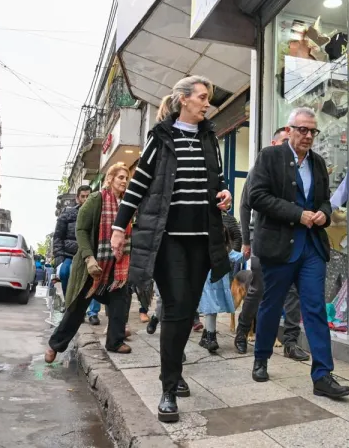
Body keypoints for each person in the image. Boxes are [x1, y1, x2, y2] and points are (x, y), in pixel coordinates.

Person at [111, 75, 232, 423]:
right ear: (184, 100)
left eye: (207, 98)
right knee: (178, 308)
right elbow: (138, 186)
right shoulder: (161, 139)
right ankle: (168, 389)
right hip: (169, 240)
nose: (207, 103)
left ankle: (175, 372)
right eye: (202, 97)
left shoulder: (211, 139)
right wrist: (120, 227)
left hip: (202, 240)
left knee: (186, 310)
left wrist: (223, 195)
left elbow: (217, 182)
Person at [247, 107, 349, 400]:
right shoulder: (270, 157)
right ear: (289, 129)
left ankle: (322, 375)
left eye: (312, 131)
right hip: (279, 247)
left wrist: (322, 214)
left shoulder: (318, 163)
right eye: (302, 130)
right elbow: (257, 196)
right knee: (272, 303)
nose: (307, 136)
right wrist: (298, 214)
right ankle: (261, 357)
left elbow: (325, 201)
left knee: (315, 307)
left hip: (311, 248)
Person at [45, 164, 135, 363]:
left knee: (120, 302)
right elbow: (81, 230)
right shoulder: (97, 199)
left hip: (116, 265)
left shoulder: (125, 204)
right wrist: (89, 258)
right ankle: (55, 344)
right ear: (110, 179)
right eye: (120, 176)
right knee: (77, 309)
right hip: (92, 265)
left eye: (126, 178)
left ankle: (115, 341)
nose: (124, 181)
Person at [236, 127, 310, 362]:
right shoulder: (261, 167)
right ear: (274, 143)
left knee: (292, 291)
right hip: (264, 238)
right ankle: (241, 332)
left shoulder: (299, 171)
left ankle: (290, 341)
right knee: (258, 289)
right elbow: (245, 205)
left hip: (292, 240)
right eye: (284, 142)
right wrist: (246, 241)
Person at [53, 185, 102, 325]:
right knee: (64, 273)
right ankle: (71, 307)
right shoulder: (67, 214)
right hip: (70, 254)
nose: (86, 199)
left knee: (95, 277)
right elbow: (57, 236)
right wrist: (59, 257)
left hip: (92, 254)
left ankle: (92, 313)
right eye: (83, 196)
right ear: (77, 198)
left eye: (88, 196)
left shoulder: (98, 213)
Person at [198, 223, 245, 353]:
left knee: (212, 311)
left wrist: (246, 254)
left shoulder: (225, 251)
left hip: (218, 286)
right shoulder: (205, 250)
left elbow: (238, 257)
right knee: (211, 310)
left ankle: (205, 336)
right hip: (207, 285)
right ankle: (211, 339)